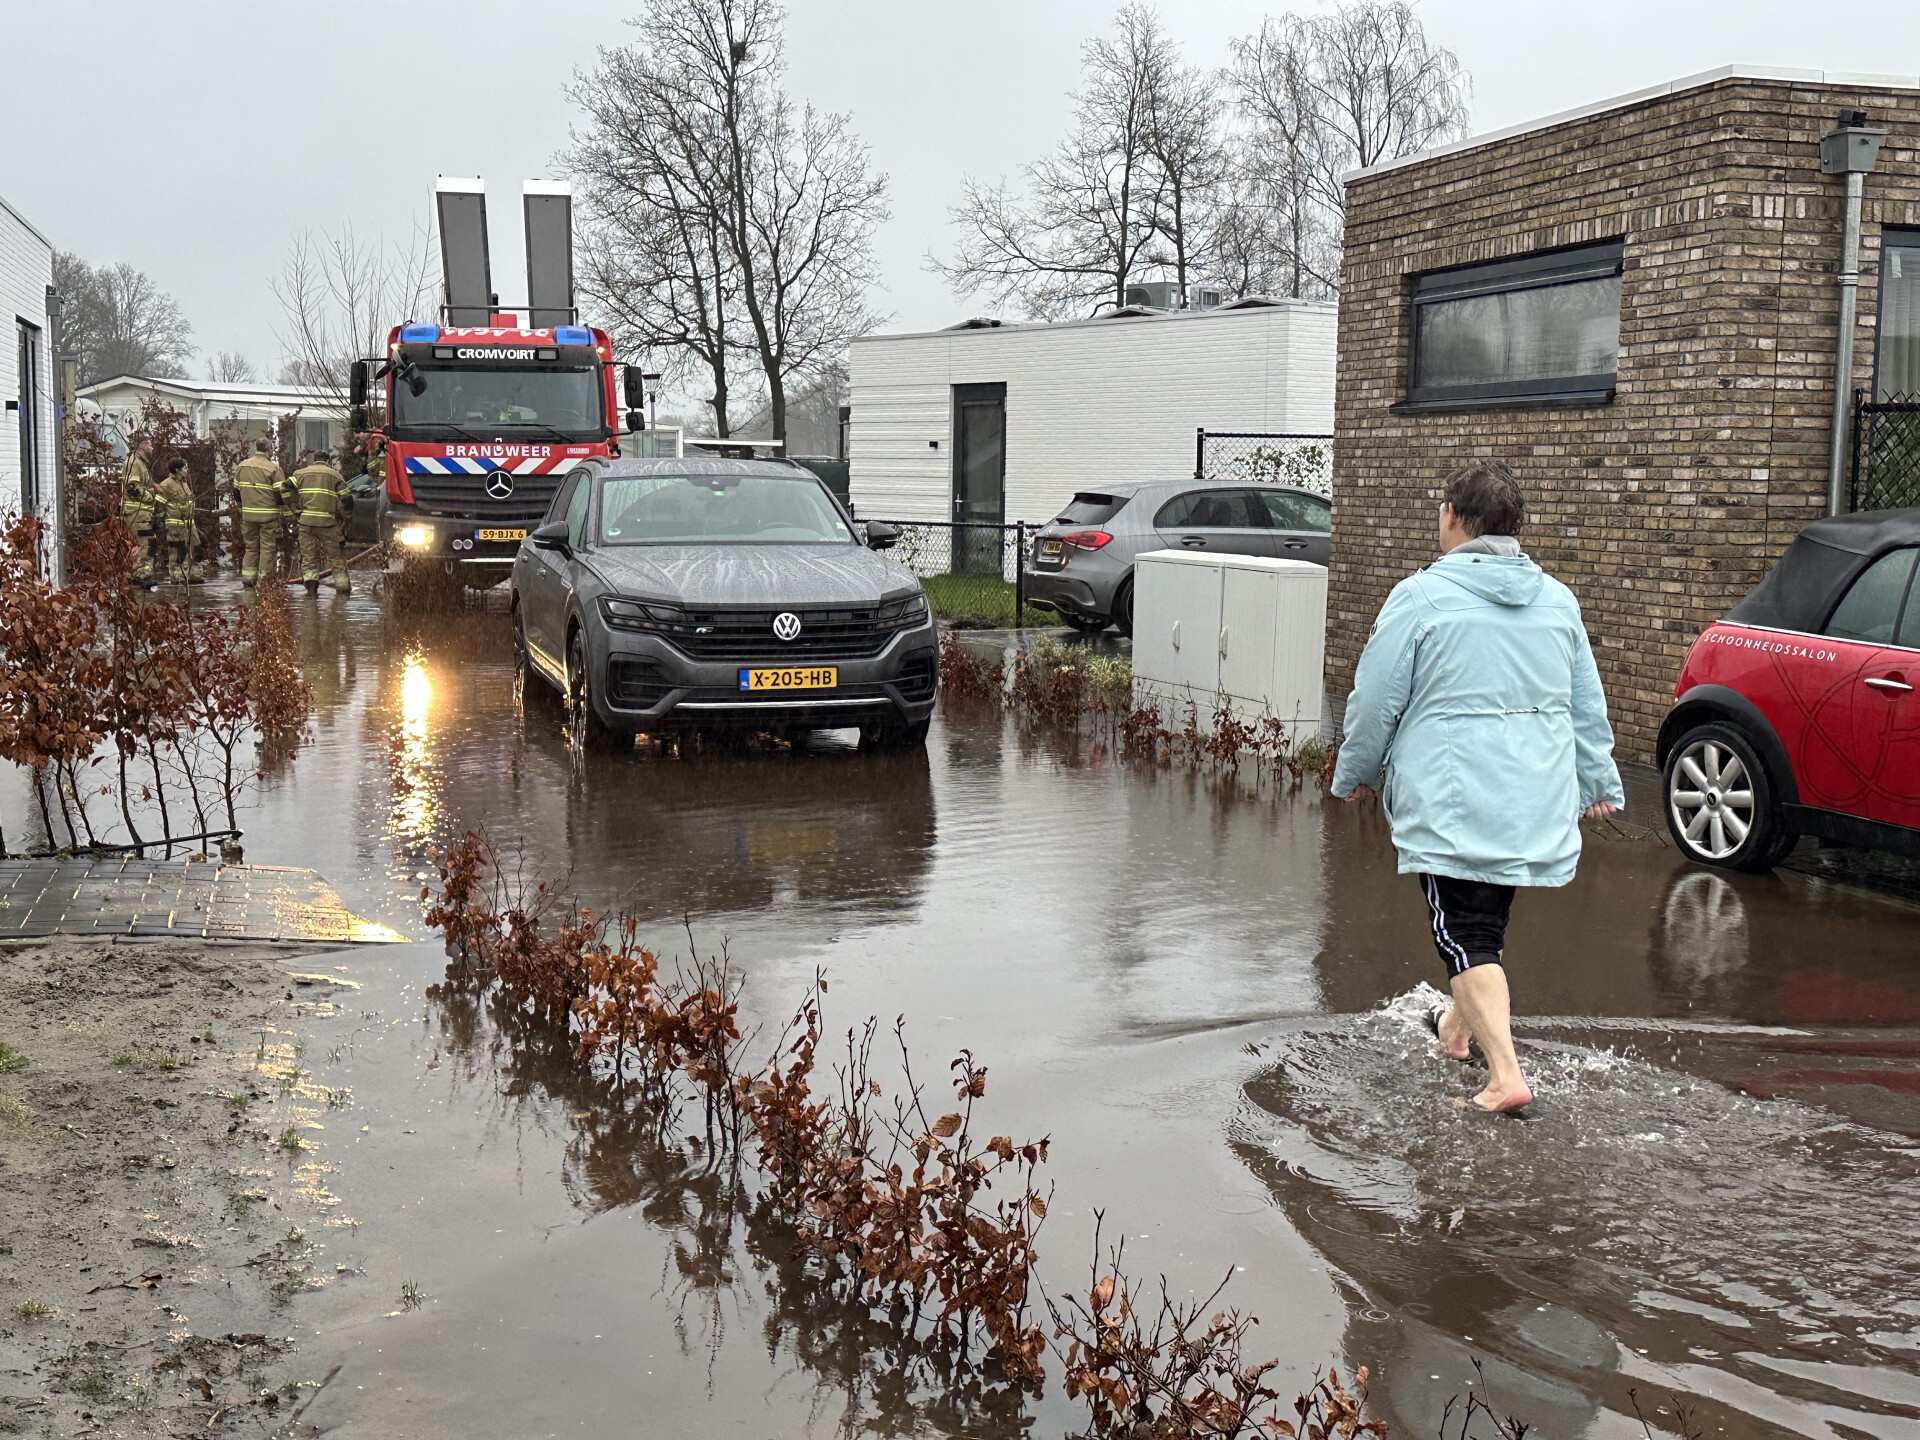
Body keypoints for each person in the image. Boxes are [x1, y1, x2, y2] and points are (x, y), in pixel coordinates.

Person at [1330, 460, 1624, 1114]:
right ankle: (1458, 1032)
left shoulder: (1420, 597)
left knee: (1464, 934)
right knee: (1484, 925)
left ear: (1452, 518)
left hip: (1453, 799)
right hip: (1532, 797)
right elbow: (1585, 702)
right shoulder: (1558, 600)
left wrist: (1356, 773)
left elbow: (1375, 700)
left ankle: (1505, 1076)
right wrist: (1597, 781)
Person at [232, 439, 291, 588]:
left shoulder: (242, 466)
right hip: (268, 516)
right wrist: (287, 511)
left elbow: (236, 492)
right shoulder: (273, 468)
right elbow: (280, 495)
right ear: (269, 449)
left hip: (248, 516)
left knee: (251, 547)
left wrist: (242, 508)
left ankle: (248, 579)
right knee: (267, 548)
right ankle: (265, 581)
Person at [293, 449, 352, 594]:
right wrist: (346, 519)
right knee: (336, 557)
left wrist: (293, 508)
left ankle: (311, 590)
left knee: (309, 558)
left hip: (306, 523)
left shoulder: (299, 474)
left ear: (314, 460)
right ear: (328, 461)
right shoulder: (335, 475)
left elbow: (284, 489)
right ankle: (343, 590)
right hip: (328, 524)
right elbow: (346, 499)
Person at [155, 457, 204, 584]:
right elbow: (159, 506)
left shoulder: (184, 483)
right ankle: (177, 577)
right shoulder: (166, 485)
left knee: (195, 549)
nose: (187, 470)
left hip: (189, 524)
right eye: (185, 468)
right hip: (175, 525)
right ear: (177, 470)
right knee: (177, 552)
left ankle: (194, 575)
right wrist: (162, 520)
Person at [121, 434, 159, 587]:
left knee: (142, 544)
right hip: (136, 511)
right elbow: (132, 488)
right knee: (148, 543)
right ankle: (142, 575)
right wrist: (151, 496)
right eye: (149, 444)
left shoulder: (140, 463)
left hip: (141, 512)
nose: (152, 448)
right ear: (142, 445)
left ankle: (134, 574)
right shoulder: (134, 463)